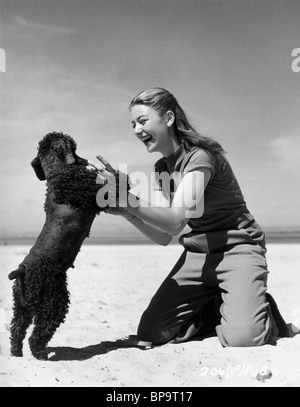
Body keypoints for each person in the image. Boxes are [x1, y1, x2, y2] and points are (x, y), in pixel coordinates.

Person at [89, 87, 288, 348]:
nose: (136, 130)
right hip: (199, 254)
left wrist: (127, 198)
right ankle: (224, 303)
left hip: (238, 249)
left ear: (169, 118)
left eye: (142, 121)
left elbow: (175, 220)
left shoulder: (200, 156)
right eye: (133, 124)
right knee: (152, 331)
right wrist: (127, 212)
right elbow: (165, 235)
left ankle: (263, 312)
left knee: (243, 338)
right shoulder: (161, 167)